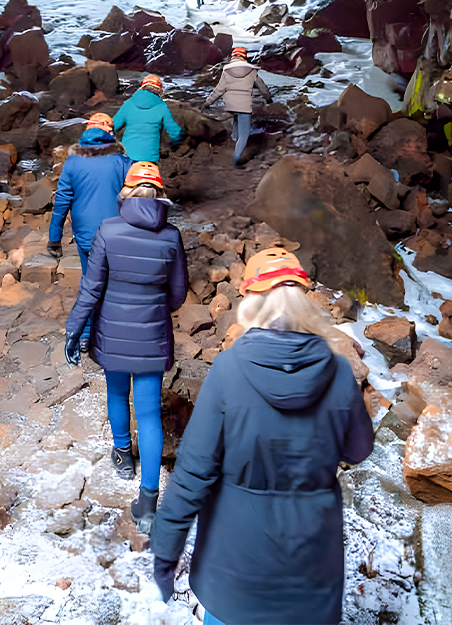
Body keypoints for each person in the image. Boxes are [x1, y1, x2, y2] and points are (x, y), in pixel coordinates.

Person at [151, 249, 373, 625]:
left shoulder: (228, 370)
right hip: (311, 574)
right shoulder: (337, 371)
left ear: (252, 302)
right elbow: (358, 448)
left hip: (234, 573)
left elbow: (192, 474)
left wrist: (165, 555)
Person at [64, 160, 188, 533]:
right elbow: (178, 295)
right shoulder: (171, 236)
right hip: (152, 337)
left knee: (117, 393)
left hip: (112, 334)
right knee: (149, 413)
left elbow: (91, 289)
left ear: (127, 192)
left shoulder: (108, 231)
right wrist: (152, 306)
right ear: (160, 194)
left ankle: (122, 456)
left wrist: (73, 330)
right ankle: (148, 504)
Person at [47, 113, 130, 275]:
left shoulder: (71, 163)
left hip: (85, 237)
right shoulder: (124, 163)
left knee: (91, 279)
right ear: (111, 134)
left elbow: (61, 202)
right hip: (117, 236)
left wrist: (54, 239)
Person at [204, 46, 271, 169]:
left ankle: (233, 143)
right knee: (244, 135)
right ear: (244, 57)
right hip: (244, 105)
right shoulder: (251, 70)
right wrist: (268, 99)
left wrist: (208, 102)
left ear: (233, 57)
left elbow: (219, 89)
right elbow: (262, 88)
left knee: (236, 119)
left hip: (230, 104)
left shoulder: (226, 69)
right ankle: (236, 160)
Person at [112, 75, 184, 163]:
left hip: (128, 155)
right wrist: (176, 144)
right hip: (150, 157)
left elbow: (113, 125)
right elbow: (175, 132)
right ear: (159, 91)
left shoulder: (129, 103)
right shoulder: (162, 107)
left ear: (142, 88)